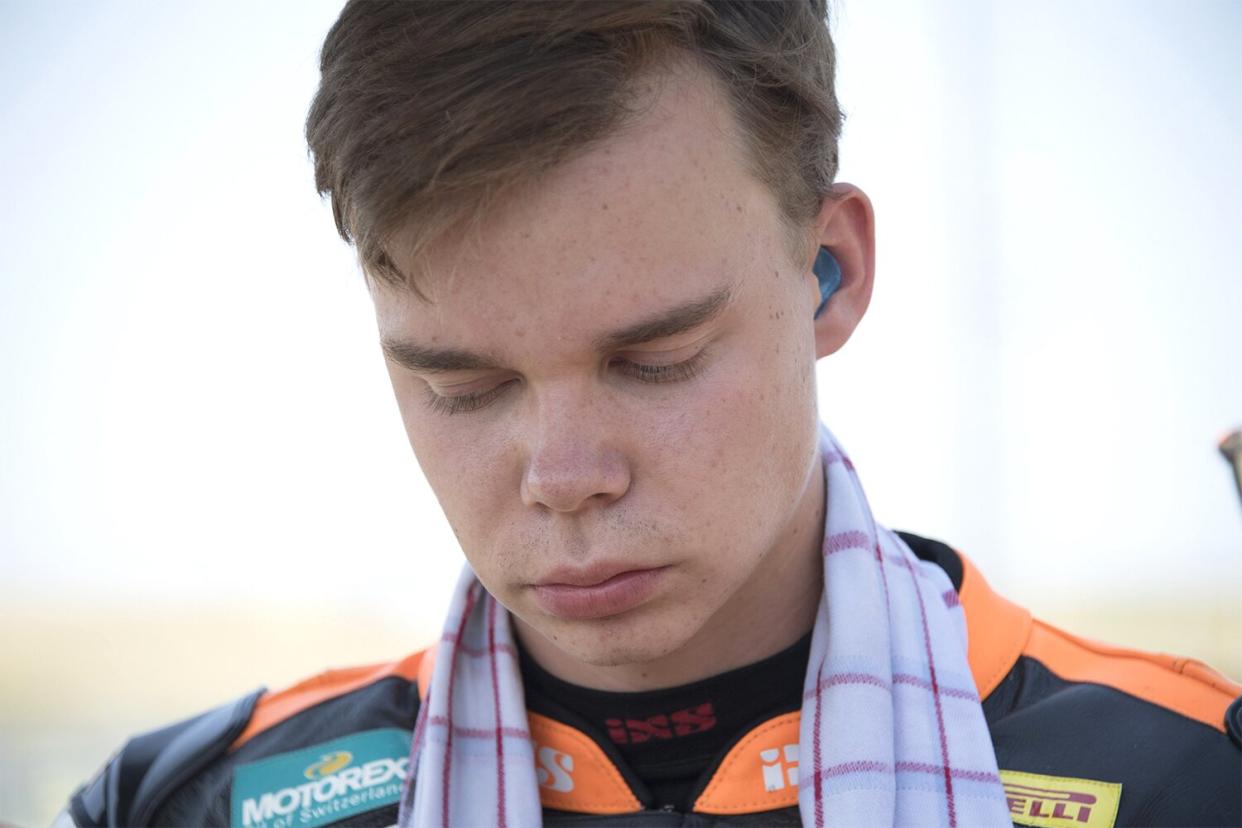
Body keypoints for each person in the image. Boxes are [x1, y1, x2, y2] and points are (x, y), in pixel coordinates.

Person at [61, 2, 1241, 826]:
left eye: (654, 361)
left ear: (829, 272)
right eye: (461, 387)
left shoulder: (1194, 780)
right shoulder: (189, 805)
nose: (563, 474)